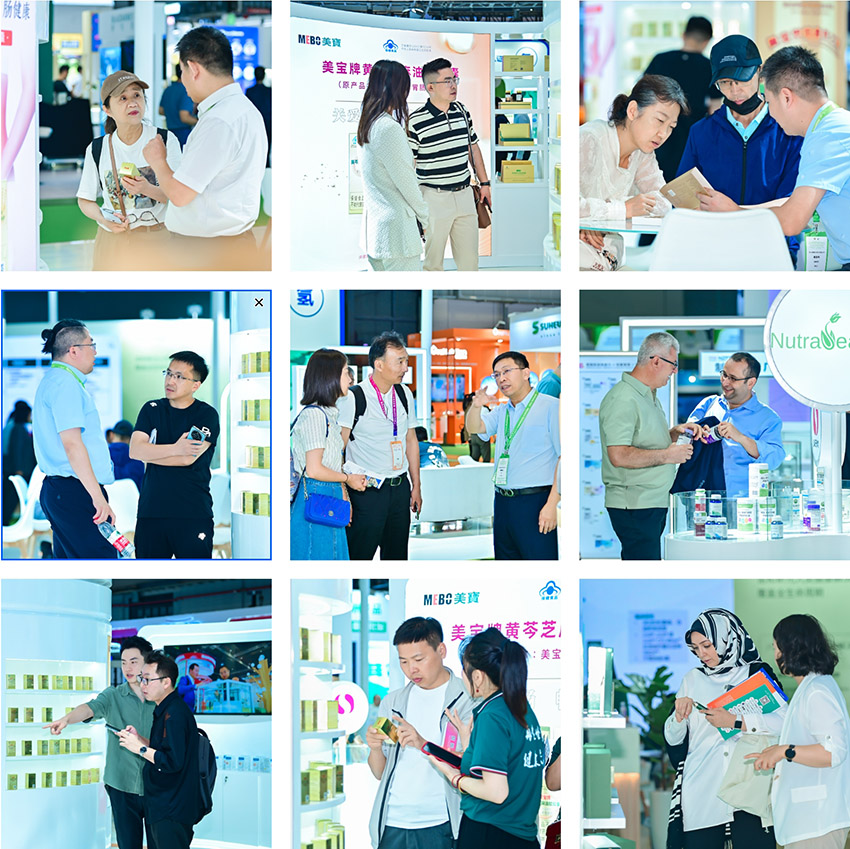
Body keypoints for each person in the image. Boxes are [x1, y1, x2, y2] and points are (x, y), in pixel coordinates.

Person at [141, 26, 268, 271]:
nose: (183, 80)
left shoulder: (219, 121)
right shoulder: (244, 110)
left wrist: (157, 160)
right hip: (229, 245)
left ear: (194, 69)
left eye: (182, 72)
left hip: (207, 251)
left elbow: (180, 195)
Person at [664, 609, 786, 848]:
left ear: (727, 638)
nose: (702, 654)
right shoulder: (692, 679)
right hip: (702, 792)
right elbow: (674, 740)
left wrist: (735, 721)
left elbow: (784, 722)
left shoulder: (756, 673)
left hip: (749, 790)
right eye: (696, 648)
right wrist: (678, 718)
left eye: (707, 645)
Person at [682, 35, 804, 263]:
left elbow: (792, 203)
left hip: (773, 248)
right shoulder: (701, 133)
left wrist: (733, 211)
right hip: (713, 250)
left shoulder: (788, 131)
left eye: (742, 79)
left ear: (759, 72)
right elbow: (685, 197)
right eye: (725, 82)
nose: (735, 90)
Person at [425, 627, 545, 849]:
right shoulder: (520, 708)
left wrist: (454, 777)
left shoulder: (492, 715)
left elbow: (496, 792)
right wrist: (469, 746)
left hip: (490, 833)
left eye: (464, 670)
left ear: (477, 676)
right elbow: (510, 766)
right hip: (521, 836)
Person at [367, 616, 473, 849]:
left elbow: (469, 766)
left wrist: (422, 743)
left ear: (441, 650)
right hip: (391, 822)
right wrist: (375, 748)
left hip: (440, 823)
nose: (411, 669)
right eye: (403, 661)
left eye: (418, 659)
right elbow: (380, 773)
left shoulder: (467, 699)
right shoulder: (393, 702)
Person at [748, 614, 850, 849]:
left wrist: (785, 751)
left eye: (776, 647)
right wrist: (777, 751)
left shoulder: (817, 691)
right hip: (809, 820)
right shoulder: (812, 687)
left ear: (791, 649)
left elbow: (833, 752)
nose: (775, 654)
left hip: (817, 821)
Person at [44, 637, 156, 849]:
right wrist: (66, 719)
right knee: (128, 844)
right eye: (124, 662)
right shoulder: (113, 695)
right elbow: (89, 708)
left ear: (148, 662)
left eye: (134, 662)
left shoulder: (160, 698)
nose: (127, 668)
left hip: (156, 786)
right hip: (121, 785)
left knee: (159, 843)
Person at [598, 332, 695, 560]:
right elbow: (619, 455)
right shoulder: (624, 399)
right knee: (642, 570)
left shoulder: (647, 395)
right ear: (656, 361)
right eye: (673, 364)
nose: (675, 371)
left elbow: (644, 442)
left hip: (649, 503)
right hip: (635, 505)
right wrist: (668, 455)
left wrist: (673, 434)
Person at [754, 47, 850, 271]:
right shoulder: (831, 126)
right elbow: (795, 202)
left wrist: (733, 215)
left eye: (768, 103)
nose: (770, 113)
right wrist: (736, 209)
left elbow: (792, 220)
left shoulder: (829, 135)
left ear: (786, 97)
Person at [580, 75, 688, 271]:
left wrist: (597, 218)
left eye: (671, 127)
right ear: (632, 111)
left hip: (609, 257)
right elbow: (564, 204)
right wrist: (623, 209)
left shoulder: (643, 153)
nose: (663, 134)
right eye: (659, 120)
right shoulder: (590, 138)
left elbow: (663, 203)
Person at [76, 71, 181, 271]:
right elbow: (85, 200)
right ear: (107, 109)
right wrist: (104, 219)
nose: (132, 103)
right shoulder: (98, 148)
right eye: (123, 98)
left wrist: (146, 189)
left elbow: (179, 196)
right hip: (112, 241)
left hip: (157, 239)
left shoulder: (164, 140)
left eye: (137, 95)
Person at [32, 320, 118, 559]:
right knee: (99, 565)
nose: (95, 352)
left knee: (74, 567)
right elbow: (72, 445)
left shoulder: (55, 380)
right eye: (92, 345)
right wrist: (97, 498)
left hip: (64, 490)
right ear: (73, 350)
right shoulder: (65, 384)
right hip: (75, 491)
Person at [464, 351, 560, 560]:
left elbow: (564, 458)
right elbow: (475, 428)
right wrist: (476, 406)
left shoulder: (551, 407)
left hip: (535, 502)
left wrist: (552, 505)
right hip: (503, 502)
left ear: (526, 373)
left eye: (507, 371)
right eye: (497, 374)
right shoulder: (502, 411)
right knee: (507, 566)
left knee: (539, 566)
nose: (501, 379)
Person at [128, 351, 220, 559]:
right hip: (151, 512)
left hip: (192, 513)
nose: (170, 381)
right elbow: (135, 451)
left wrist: (152, 453)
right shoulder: (151, 409)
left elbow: (186, 459)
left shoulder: (206, 415)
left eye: (179, 376)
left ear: (195, 385)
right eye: (168, 374)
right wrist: (176, 447)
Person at [339, 332, 422, 560]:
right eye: (400, 362)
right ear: (379, 364)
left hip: (399, 488)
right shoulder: (354, 397)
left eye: (406, 361)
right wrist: (344, 491)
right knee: (359, 556)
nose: (406, 368)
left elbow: (411, 440)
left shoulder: (404, 394)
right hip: (366, 491)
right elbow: (339, 449)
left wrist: (416, 485)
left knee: (396, 557)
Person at [409, 57, 491, 272]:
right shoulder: (415, 121)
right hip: (433, 197)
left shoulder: (462, 111)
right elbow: (409, 164)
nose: (453, 85)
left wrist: (485, 183)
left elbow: (473, 148)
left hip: (465, 194)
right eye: (447, 81)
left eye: (454, 79)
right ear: (430, 87)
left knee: (470, 262)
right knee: (433, 263)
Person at [118, 651, 200, 849]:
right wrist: (140, 739)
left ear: (166, 682)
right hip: (161, 804)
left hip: (171, 808)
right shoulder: (164, 709)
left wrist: (139, 748)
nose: (142, 685)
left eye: (147, 680)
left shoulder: (175, 713)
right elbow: (162, 748)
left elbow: (172, 761)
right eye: (142, 679)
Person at [291, 348, 367, 559]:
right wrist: (348, 479)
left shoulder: (327, 415)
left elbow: (331, 463)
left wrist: (344, 495)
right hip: (316, 496)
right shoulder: (315, 416)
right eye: (345, 371)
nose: (350, 378)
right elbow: (314, 470)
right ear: (329, 375)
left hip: (327, 497)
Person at [358, 60, 429, 272]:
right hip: (397, 235)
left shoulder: (368, 123)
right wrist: (426, 219)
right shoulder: (388, 128)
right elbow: (407, 183)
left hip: (376, 231)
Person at [685, 352, 785, 496]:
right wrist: (697, 432)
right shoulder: (708, 404)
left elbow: (774, 459)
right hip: (702, 497)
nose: (725, 382)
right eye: (724, 375)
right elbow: (685, 437)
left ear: (750, 383)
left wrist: (741, 438)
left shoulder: (768, 418)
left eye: (733, 378)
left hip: (743, 501)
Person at [644, 16, 721, 182]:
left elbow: (643, 95)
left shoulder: (661, 59)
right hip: (691, 137)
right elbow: (715, 108)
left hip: (658, 133)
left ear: (684, 35)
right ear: (707, 41)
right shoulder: (710, 67)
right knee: (684, 185)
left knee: (654, 180)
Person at [2, 400, 36, 525]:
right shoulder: (18, 429)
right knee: (10, 498)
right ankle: (4, 522)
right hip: (18, 470)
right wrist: (19, 469)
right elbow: (17, 450)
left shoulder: (13, 426)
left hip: (14, 469)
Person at [158, 64, 197, 149]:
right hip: (183, 133)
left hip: (169, 132)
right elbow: (184, 117)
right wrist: (200, 121)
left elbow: (161, 111)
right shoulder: (186, 90)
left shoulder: (168, 89)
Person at [106, 419, 144, 492]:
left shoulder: (102, 458)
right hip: (132, 499)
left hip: (104, 498)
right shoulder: (138, 462)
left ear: (111, 435)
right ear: (131, 439)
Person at [245, 66, 271, 167]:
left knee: (254, 147)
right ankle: (266, 166)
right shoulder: (269, 91)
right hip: (268, 122)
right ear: (264, 76)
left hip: (253, 122)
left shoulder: (250, 91)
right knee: (267, 146)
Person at [461, 394, 492, 463]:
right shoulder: (485, 409)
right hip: (483, 436)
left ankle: (473, 469)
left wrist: (469, 435)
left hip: (473, 435)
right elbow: (488, 423)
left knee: (474, 458)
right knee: (486, 458)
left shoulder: (470, 410)